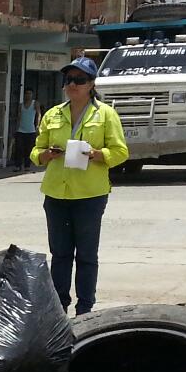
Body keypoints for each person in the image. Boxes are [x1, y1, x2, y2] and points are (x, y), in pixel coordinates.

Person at [31, 56, 128, 315]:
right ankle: (59, 306)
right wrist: (45, 155)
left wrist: (97, 154)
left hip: (89, 195)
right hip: (56, 193)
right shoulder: (53, 114)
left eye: (79, 80)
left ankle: (85, 307)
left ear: (91, 84)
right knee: (60, 254)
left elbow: (120, 151)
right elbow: (36, 151)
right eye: (69, 80)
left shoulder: (106, 115)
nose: (72, 85)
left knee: (86, 254)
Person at [13, 88, 40, 171]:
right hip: (21, 130)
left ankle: (27, 165)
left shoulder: (35, 103)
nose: (28, 95)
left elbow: (38, 114)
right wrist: (16, 129)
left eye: (30, 94)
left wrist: (38, 125)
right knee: (19, 148)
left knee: (29, 149)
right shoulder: (21, 105)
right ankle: (18, 165)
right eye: (27, 94)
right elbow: (19, 117)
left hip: (31, 130)